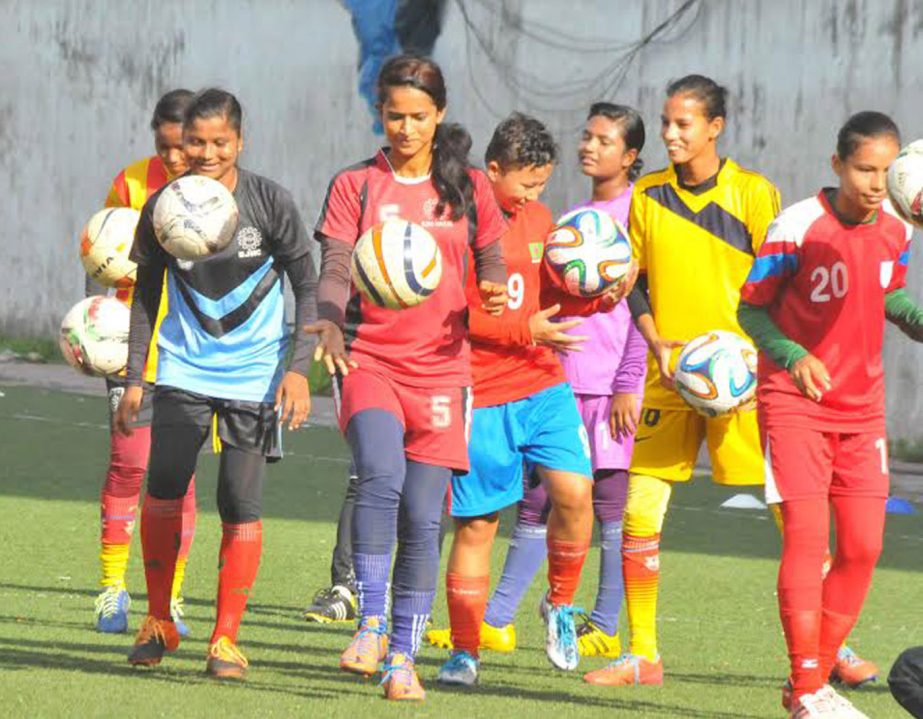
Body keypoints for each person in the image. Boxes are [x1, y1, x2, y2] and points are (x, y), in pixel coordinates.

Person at [309, 54, 507, 701]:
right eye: (393, 115)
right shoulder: (355, 185)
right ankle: (367, 624)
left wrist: (496, 289)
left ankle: (402, 657)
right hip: (370, 360)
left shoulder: (469, 188)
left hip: (445, 373)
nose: (404, 127)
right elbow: (336, 262)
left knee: (424, 517)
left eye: (418, 116)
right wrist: (330, 321)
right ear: (380, 113)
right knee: (379, 476)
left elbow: (491, 262)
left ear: (438, 115)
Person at [427, 103, 647, 661]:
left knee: (576, 493)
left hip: (543, 384)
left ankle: (559, 608)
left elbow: (558, 298)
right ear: (493, 170)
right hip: (481, 393)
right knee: (477, 526)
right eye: (525, 183)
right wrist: (525, 328)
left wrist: (601, 298)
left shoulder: (543, 221)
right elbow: (449, 317)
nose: (532, 194)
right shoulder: (458, 223)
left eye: (542, 183)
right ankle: (466, 651)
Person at [581, 75, 781, 687]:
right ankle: (643, 654)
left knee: (787, 510)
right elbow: (632, 276)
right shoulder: (649, 193)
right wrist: (652, 335)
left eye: (683, 124)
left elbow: (779, 286)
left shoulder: (753, 195)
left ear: (715, 128)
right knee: (642, 508)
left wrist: (756, 359)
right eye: (666, 123)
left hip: (740, 383)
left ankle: (834, 648)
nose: (670, 133)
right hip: (670, 380)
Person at [115, 88, 318, 680]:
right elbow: (145, 296)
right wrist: (134, 377)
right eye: (194, 141)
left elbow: (306, 286)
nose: (205, 152)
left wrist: (299, 370)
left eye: (218, 142)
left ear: (240, 141)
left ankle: (225, 640)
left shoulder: (269, 201)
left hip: (255, 375)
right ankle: (157, 621)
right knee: (165, 485)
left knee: (238, 500)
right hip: (181, 368)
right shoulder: (163, 206)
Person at [739, 111, 922, 718]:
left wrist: (915, 320)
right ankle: (808, 687)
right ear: (837, 163)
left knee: (865, 547)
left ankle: (810, 681)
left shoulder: (899, 224)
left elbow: (885, 290)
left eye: (885, 171)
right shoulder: (795, 226)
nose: (875, 183)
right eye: (863, 169)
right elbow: (752, 310)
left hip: (863, 407)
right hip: (796, 403)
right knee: (809, 537)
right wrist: (794, 357)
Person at [90, 89, 198, 636]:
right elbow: (99, 255)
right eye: (166, 147)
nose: (176, 159)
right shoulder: (131, 181)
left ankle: (172, 595)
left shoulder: (214, 193)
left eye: (185, 147)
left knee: (180, 478)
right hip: (133, 346)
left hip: (195, 352)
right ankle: (112, 589)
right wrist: (95, 321)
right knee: (130, 461)